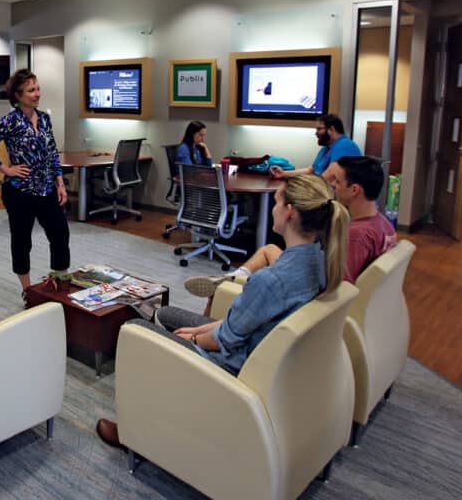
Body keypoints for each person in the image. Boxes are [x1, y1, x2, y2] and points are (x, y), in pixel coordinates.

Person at [96, 174, 349, 449]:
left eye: (276, 202)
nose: (273, 208)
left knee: (134, 329)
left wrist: (190, 339)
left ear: (289, 212)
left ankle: (133, 431)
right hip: (255, 346)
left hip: (231, 366)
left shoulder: (270, 282)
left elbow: (223, 341)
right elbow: (237, 326)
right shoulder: (320, 263)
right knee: (167, 316)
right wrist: (198, 330)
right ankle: (164, 392)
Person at [184, 156, 395, 300]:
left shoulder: (356, 236)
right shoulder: (382, 224)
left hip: (313, 291)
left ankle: (225, 286)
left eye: (337, 182)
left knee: (219, 296)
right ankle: (231, 278)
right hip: (318, 278)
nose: (332, 187)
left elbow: (336, 289)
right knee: (268, 249)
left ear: (355, 189)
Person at [0, 69, 70, 296]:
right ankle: (28, 290)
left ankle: (60, 281)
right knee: (21, 240)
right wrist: (6, 168)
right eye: (31, 90)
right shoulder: (10, 121)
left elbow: (52, 153)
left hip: (47, 188)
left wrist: (60, 182)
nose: (37, 94)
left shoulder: (44, 119)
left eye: (37, 88)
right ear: (18, 95)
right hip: (19, 192)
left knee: (60, 233)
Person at [270, 113, 361, 179]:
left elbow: (328, 176)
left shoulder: (344, 145)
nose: (316, 133)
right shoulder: (327, 148)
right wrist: (283, 173)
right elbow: (311, 170)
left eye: (319, 129)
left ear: (331, 129)